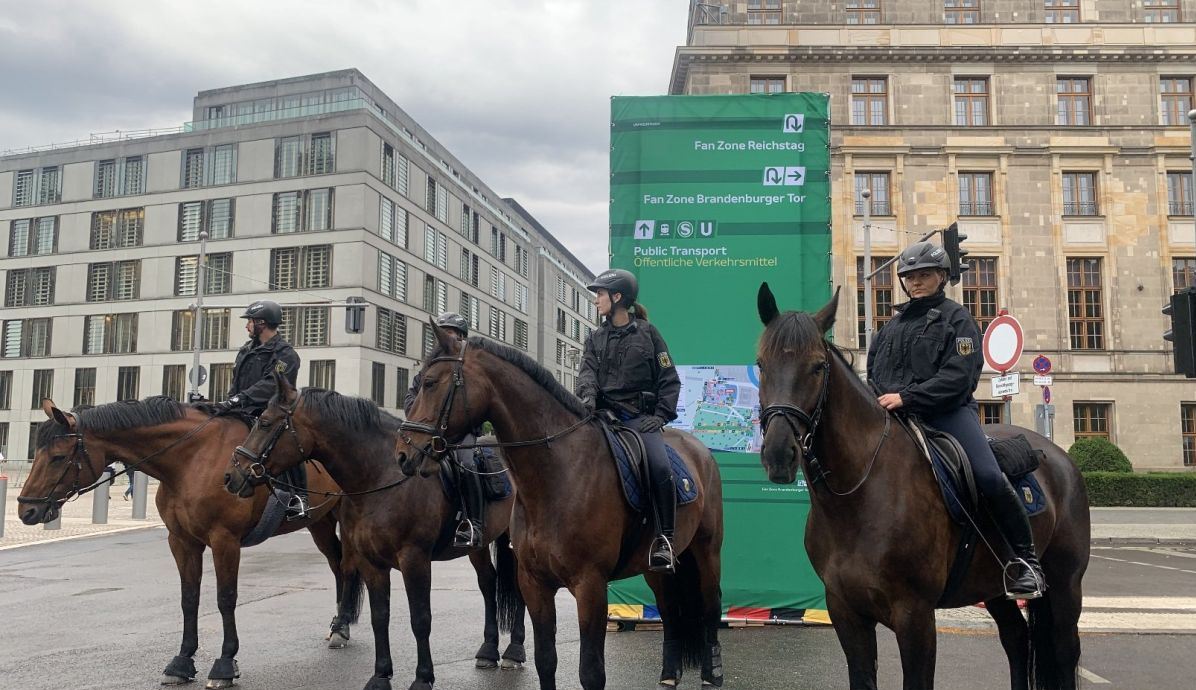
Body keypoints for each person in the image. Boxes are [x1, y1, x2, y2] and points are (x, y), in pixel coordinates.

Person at [867, 241, 1046, 599]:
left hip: (947, 413)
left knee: (988, 476)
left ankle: (1025, 562)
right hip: (896, 418)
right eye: (910, 276)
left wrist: (908, 397)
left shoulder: (957, 319)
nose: (916, 282)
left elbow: (958, 377)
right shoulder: (889, 328)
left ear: (942, 277)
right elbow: (873, 374)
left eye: (925, 275)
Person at [576, 269, 682, 573]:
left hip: (639, 419)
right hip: (603, 417)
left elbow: (669, 379)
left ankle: (664, 539)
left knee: (660, 467)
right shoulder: (595, 338)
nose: (596, 300)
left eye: (600, 294)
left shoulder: (649, 334)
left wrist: (660, 416)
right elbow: (587, 374)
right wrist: (587, 399)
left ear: (617, 297)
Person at [214, 300, 306, 519]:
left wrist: (239, 399)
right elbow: (237, 382)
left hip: (271, 413)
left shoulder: (286, 355)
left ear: (262, 323)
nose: (247, 327)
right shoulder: (246, 350)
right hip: (241, 409)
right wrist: (229, 402)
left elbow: (270, 385)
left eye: (250, 322)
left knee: (291, 445)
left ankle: (298, 497)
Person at [406, 312, 488, 549]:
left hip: (462, 432)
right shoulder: (430, 368)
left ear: (461, 337)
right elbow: (413, 396)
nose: (443, 337)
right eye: (441, 332)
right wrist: (421, 415)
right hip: (432, 431)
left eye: (449, 332)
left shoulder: (468, 368)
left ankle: (474, 524)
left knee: (466, 463)